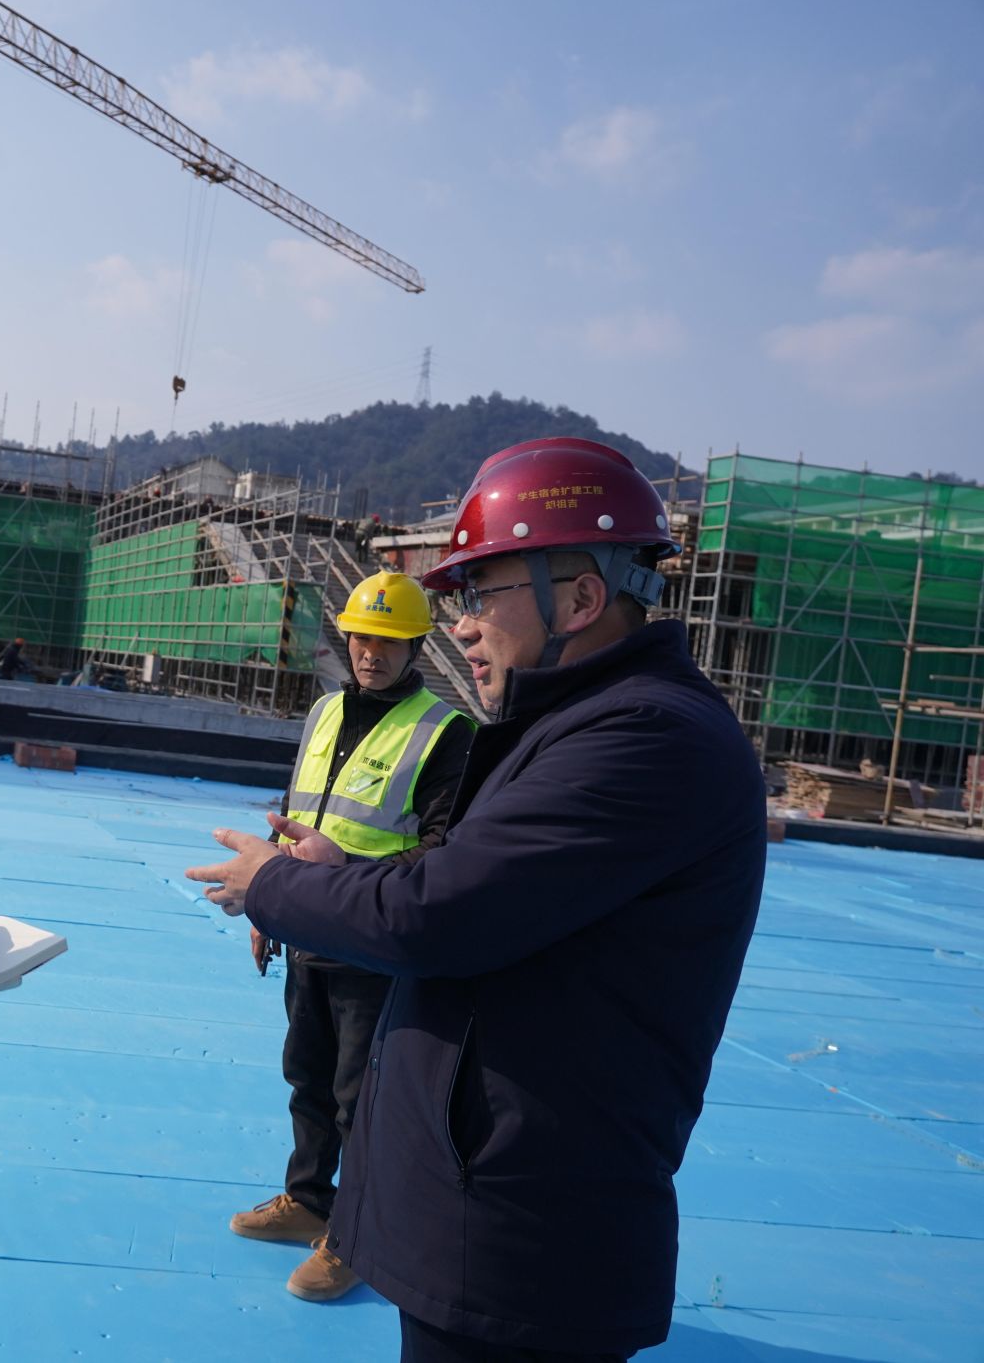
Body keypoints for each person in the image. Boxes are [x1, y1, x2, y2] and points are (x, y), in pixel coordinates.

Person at [187, 438, 767, 1361]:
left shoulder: (645, 738)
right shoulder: (574, 723)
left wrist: (277, 884)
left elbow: (438, 911)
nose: (460, 626)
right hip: (483, 1206)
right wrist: (326, 874)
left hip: (522, 1237)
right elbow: (468, 883)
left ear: (580, 597)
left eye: (480, 593)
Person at [228, 571, 471, 1303]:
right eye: (362, 636)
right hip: (308, 929)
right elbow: (296, 812)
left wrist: (347, 879)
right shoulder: (325, 710)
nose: (371, 652)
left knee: (362, 1098)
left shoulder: (445, 732)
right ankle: (309, 1198)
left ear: (416, 646)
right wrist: (273, 905)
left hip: (372, 938)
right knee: (306, 1073)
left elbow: (444, 849)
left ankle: (357, 1238)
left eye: (389, 641)